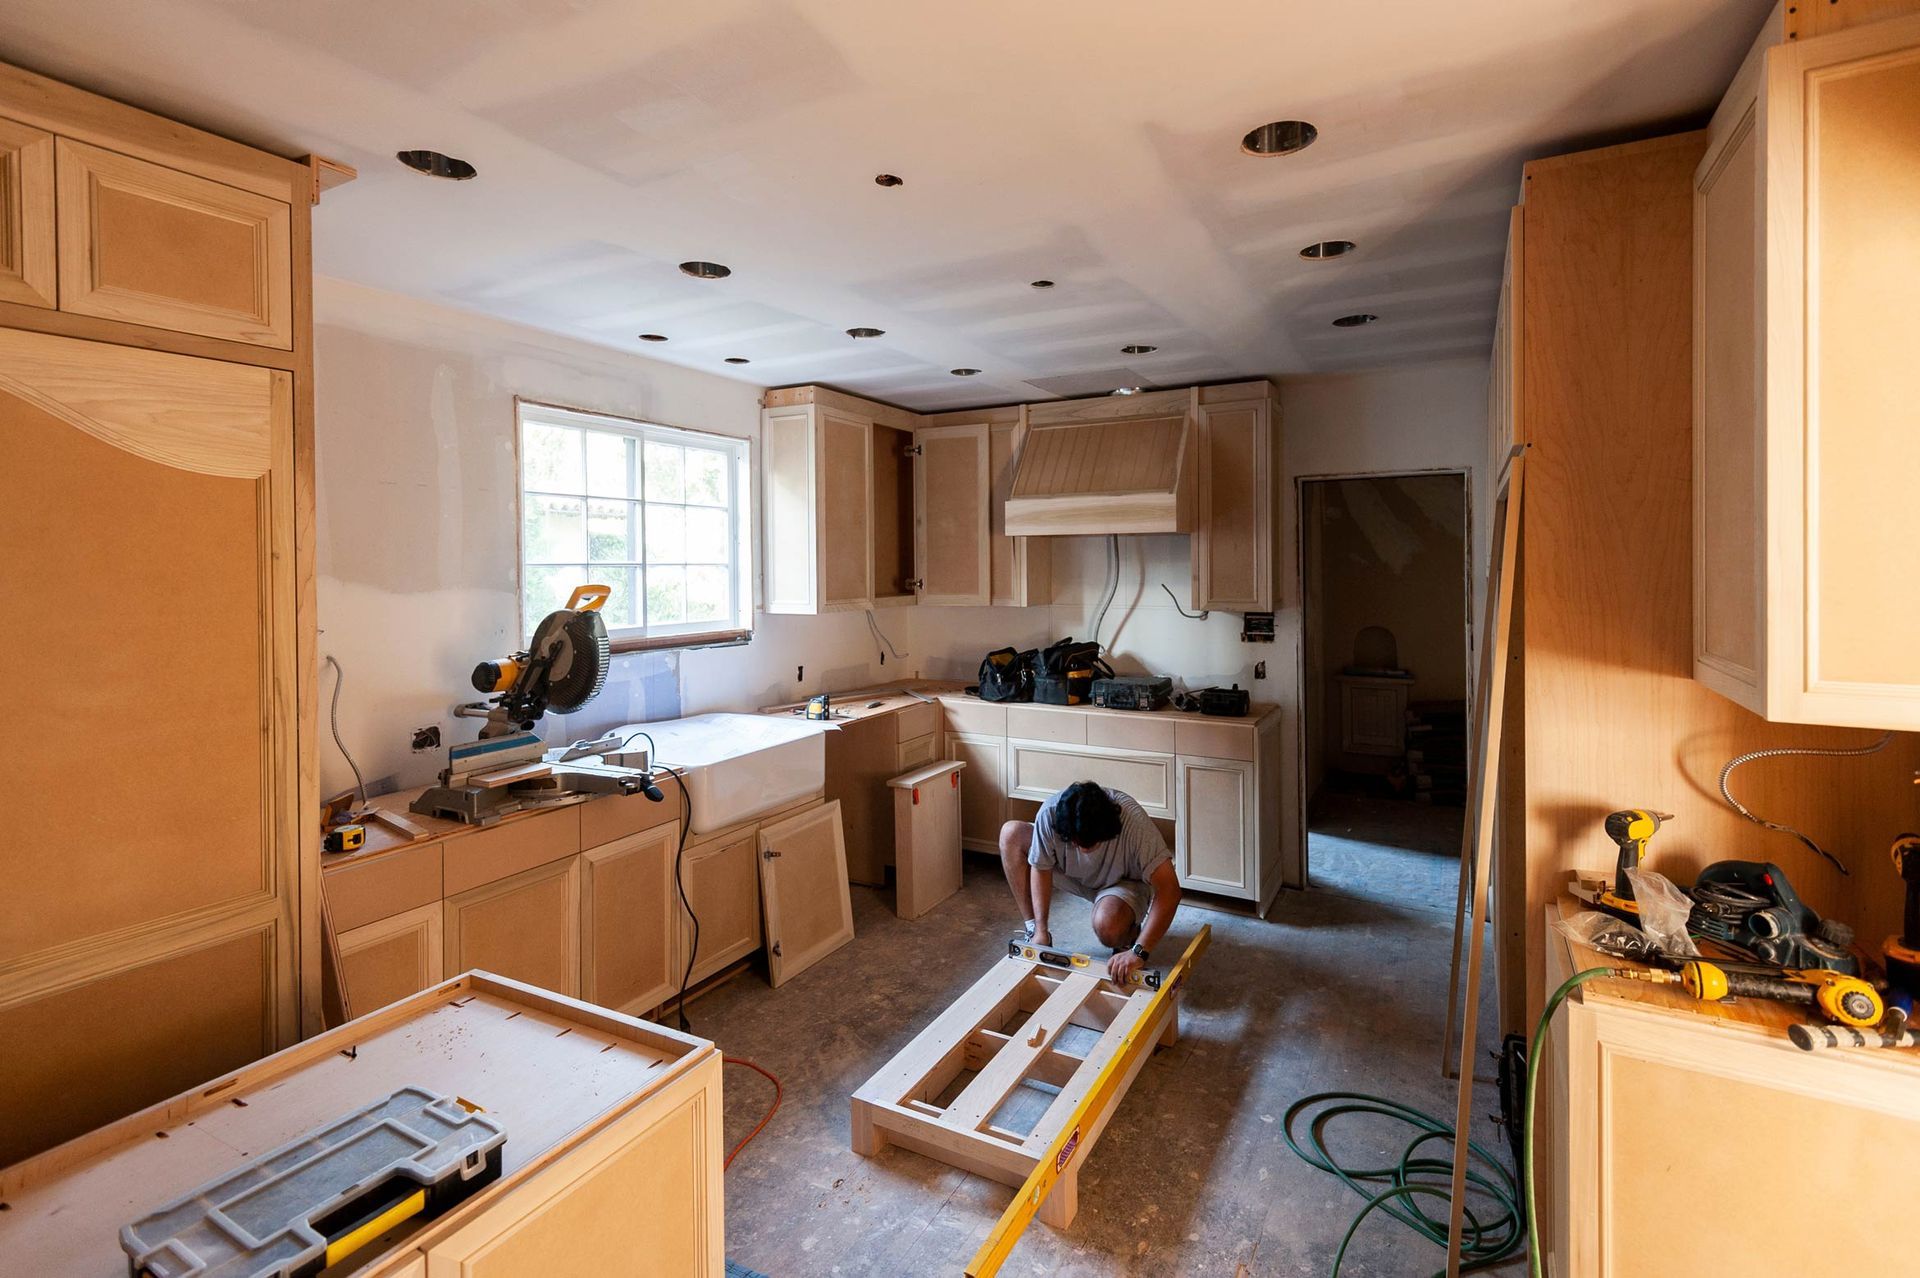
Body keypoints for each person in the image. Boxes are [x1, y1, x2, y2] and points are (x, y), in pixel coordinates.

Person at [999, 780, 1182, 984]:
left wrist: (1139, 952)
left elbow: (1170, 890)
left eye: (1091, 842)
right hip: (1072, 873)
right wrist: (1041, 929)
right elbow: (1040, 867)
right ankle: (1034, 931)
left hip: (1122, 882)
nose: (1083, 849)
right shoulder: (1050, 813)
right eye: (1076, 842)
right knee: (1011, 834)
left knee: (1108, 926)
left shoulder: (1134, 822)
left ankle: (1128, 934)